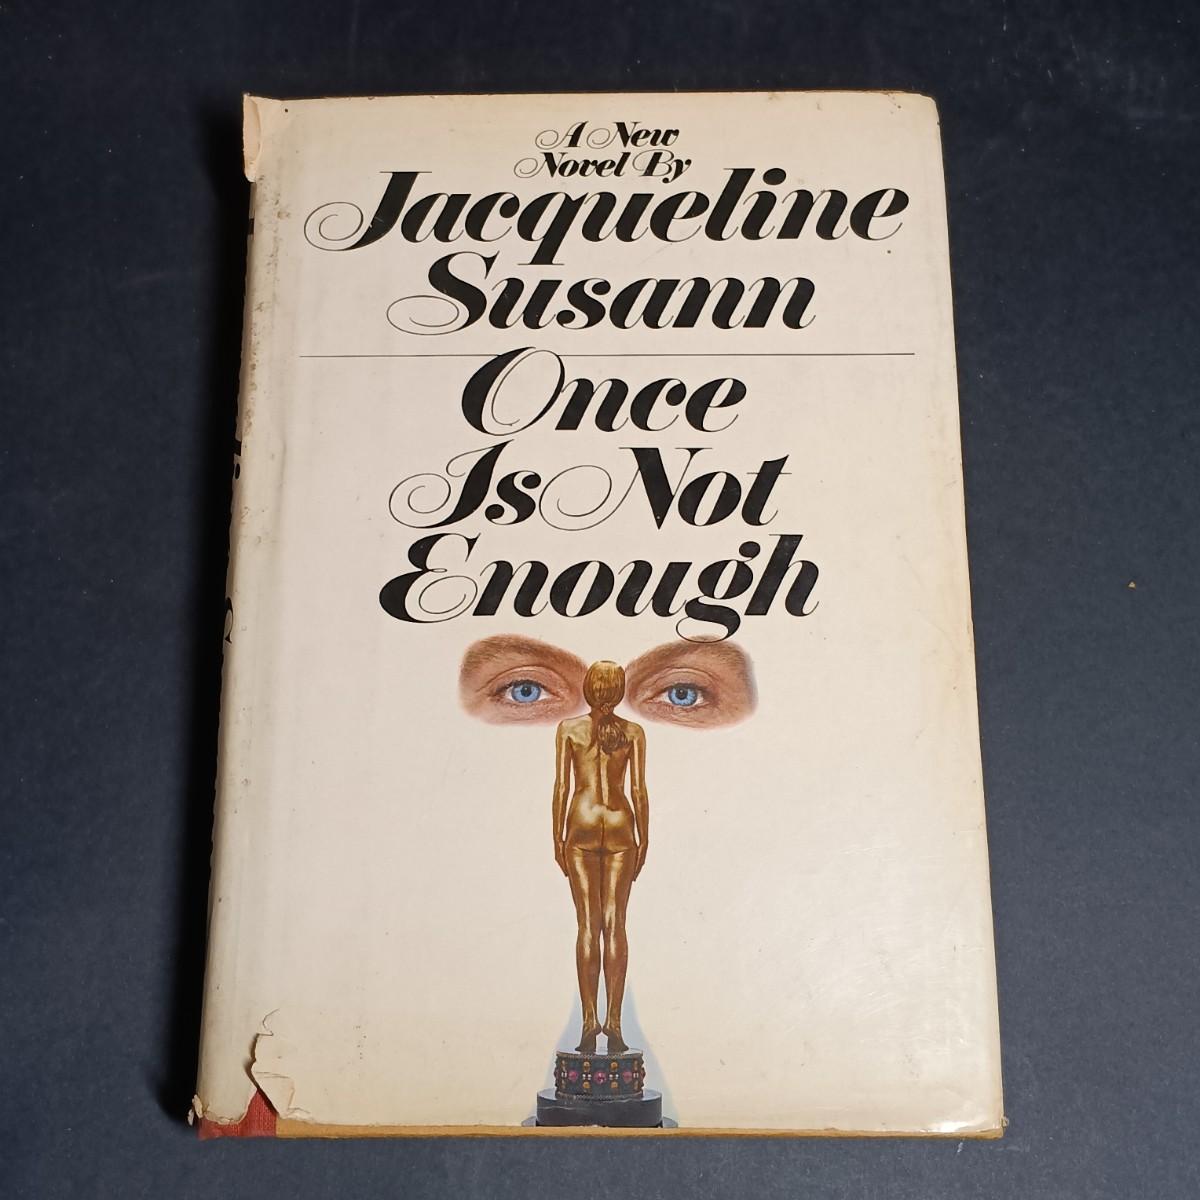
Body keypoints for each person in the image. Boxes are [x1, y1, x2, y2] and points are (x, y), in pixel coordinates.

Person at [552, 660, 649, 1055]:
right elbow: (638, 790)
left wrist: (556, 837)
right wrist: (645, 838)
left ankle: (589, 1018)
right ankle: (615, 1021)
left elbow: (562, 787)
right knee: (615, 924)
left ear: (589, 688)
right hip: (621, 825)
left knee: (588, 926)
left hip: (581, 823)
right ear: (619, 691)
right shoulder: (633, 732)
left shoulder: (569, 730)